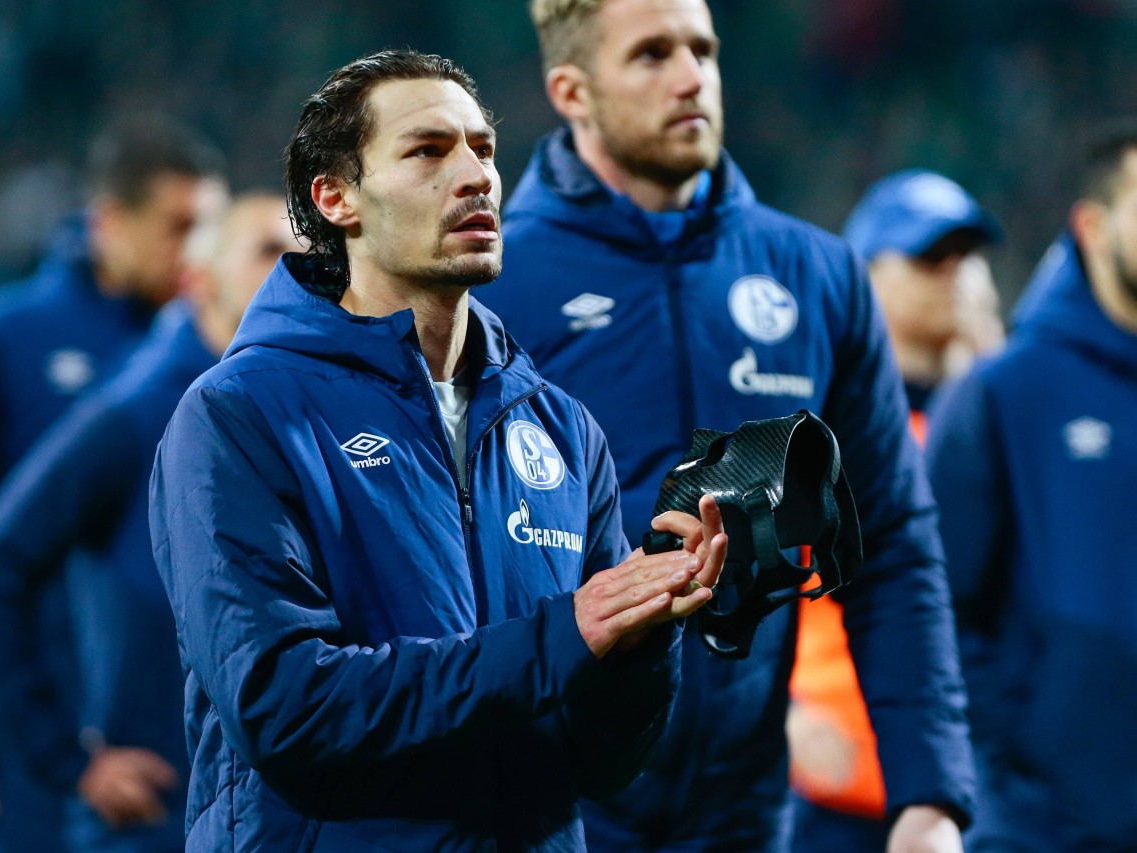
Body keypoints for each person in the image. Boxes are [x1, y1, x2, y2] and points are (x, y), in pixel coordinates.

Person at [149, 49, 728, 852]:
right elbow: (288, 710)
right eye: (428, 151)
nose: (476, 176)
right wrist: (566, 636)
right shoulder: (240, 415)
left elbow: (602, 762)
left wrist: (639, 638)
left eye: (483, 149)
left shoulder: (562, 431)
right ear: (336, 197)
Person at [480, 1, 975, 849]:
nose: (691, 77)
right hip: (553, 805)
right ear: (572, 90)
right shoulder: (491, 279)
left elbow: (888, 539)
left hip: (744, 809)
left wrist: (927, 790)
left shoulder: (817, 276)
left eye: (703, 50)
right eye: (651, 54)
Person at [0, 115, 225, 852]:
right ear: (108, 222)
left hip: (144, 760)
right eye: (177, 225)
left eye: (208, 228)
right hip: (14, 752)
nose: (194, 250)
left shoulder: (204, 360)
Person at [0, 195, 298, 853]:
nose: (295, 268)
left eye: (305, 253)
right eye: (268, 251)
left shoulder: (296, 410)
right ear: (198, 280)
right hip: (152, 820)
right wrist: (66, 758)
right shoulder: (135, 412)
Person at [926, 121, 1137, 851]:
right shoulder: (1006, 391)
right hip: (1043, 825)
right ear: (1094, 225)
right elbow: (941, 606)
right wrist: (1018, 766)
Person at [788, 170, 1002, 851]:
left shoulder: (999, 424)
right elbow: (745, 585)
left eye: (966, 257)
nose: (954, 276)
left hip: (972, 790)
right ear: (868, 276)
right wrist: (787, 716)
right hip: (837, 785)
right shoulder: (814, 427)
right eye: (929, 258)